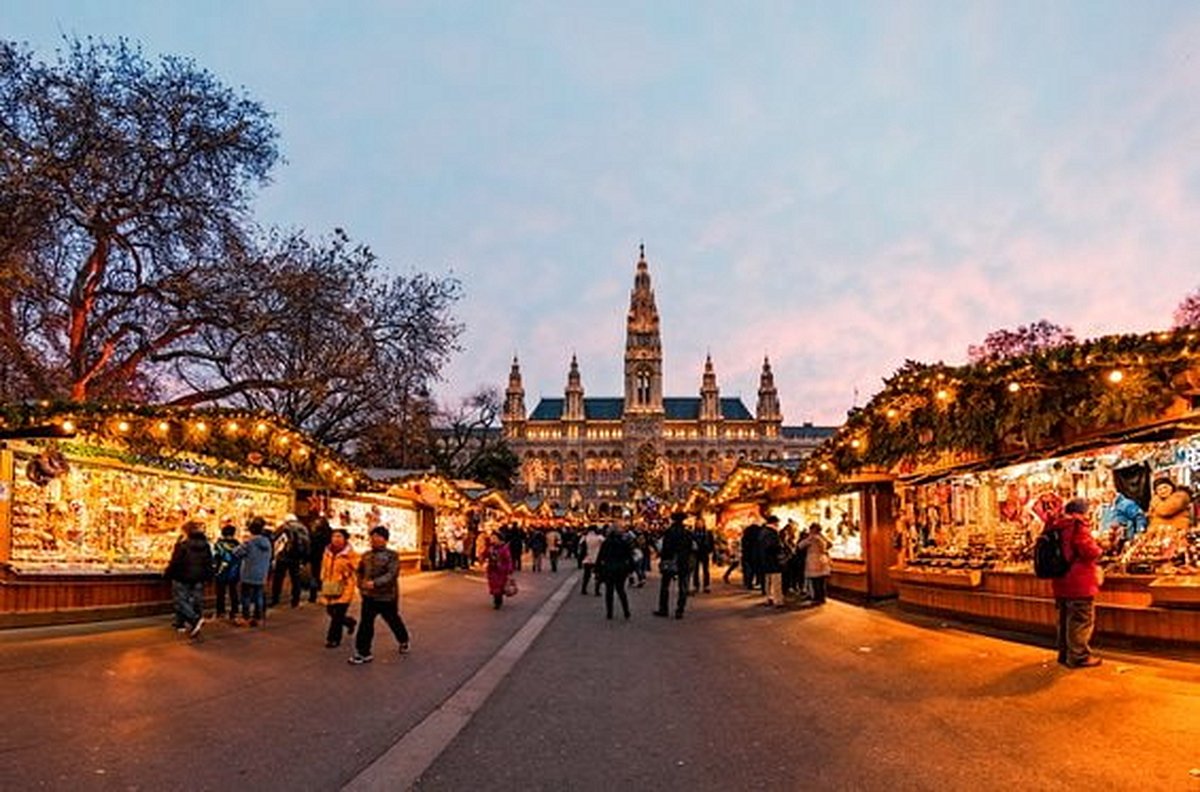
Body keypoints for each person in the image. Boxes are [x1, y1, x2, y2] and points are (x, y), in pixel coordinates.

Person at [1049, 498, 1103, 668]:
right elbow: (1089, 551)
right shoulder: (1078, 526)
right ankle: (1079, 657)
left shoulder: (1057, 525)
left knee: (1065, 619)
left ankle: (1064, 654)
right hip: (1079, 581)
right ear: (1082, 511)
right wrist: (1099, 548)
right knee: (1080, 620)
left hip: (1061, 580)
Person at [350, 526, 411, 665]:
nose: (375, 539)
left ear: (385, 539)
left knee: (393, 620)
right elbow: (359, 572)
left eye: (379, 536)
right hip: (369, 596)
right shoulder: (366, 555)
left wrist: (375, 583)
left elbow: (392, 574)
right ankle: (363, 652)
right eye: (373, 536)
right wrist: (360, 584)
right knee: (365, 624)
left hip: (386, 597)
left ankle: (403, 639)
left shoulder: (392, 555)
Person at [165, 520, 213, 637]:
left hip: (182, 576)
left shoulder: (182, 545)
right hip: (199, 576)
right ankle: (181, 622)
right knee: (196, 600)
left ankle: (194, 619)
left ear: (186, 532)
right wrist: (208, 576)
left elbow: (175, 562)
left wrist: (168, 573)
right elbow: (209, 562)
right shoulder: (205, 545)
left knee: (180, 600)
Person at [319, 528, 358, 648]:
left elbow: (357, 569)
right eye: (334, 536)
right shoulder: (327, 552)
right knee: (331, 611)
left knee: (337, 615)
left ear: (345, 539)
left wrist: (347, 574)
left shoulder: (350, 554)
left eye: (339, 536)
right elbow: (324, 567)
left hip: (345, 587)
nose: (336, 539)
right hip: (330, 586)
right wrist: (322, 579)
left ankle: (333, 639)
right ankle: (350, 622)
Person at [235, 517, 273, 627]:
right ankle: (259, 618)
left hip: (249, 573)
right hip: (262, 574)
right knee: (259, 596)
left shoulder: (249, 543)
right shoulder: (267, 543)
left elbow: (236, 552)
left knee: (246, 596)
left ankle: (246, 618)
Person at [654, 512, 693, 619]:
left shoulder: (669, 532)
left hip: (669, 561)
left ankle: (663, 609)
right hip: (683, 562)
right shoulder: (687, 533)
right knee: (682, 586)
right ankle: (680, 610)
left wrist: (663, 560)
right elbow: (690, 548)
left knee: (665, 586)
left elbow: (664, 548)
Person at [271, 514, 310, 608]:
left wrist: (274, 554)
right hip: (296, 557)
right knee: (295, 579)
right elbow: (307, 544)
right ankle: (295, 600)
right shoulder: (304, 528)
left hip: (283, 557)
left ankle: (275, 598)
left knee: (278, 578)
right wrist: (304, 559)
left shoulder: (284, 527)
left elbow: (274, 538)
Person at [597, 523, 634, 620]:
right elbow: (629, 556)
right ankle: (626, 611)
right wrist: (631, 569)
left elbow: (601, 556)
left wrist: (598, 569)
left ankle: (609, 613)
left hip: (609, 568)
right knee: (621, 590)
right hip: (621, 569)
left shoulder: (606, 543)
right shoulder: (623, 542)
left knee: (609, 591)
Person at [795, 523, 832, 605]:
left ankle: (817, 598)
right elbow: (830, 544)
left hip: (814, 560)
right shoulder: (823, 537)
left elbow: (800, 546)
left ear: (814, 529)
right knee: (821, 580)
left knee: (815, 580)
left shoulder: (812, 538)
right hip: (823, 559)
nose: (810, 530)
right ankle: (822, 597)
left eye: (811, 528)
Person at [212, 520, 242, 621]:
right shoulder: (238, 545)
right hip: (234, 572)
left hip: (221, 572)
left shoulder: (219, 544)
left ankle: (221, 612)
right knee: (233, 592)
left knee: (220, 593)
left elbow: (215, 557)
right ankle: (235, 611)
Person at [760, 515, 785, 607]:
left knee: (768, 581)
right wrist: (780, 548)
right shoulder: (772, 533)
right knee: (776, 581)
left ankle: (768, 598)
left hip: (765, 560)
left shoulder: (763, 532)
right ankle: (778, 600)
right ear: (774, 522)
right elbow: (773, 546)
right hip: (773, 560)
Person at [307, 511, 332, 603]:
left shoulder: (315, 534)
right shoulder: (330, 534)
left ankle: (312, 596)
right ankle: (326, 596)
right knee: (326, 577)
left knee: (314, 576)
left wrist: (308, 557)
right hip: (327, 558)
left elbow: (311, 546)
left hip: (315, 558)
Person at [485, 532, 514, 609]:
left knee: (499, 586)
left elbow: (508, 560)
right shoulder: (491, 548)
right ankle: (497, 599)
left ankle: (498, 601)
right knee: (494, 586)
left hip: (501, 570)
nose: (492, 540)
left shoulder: (504, 548)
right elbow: (485, 555)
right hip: (492, 569)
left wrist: (509, 570)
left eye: (494, 538)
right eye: (492, 538)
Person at [690, 519, 714, 594]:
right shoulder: (693, 533)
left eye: (701, 523)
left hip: (704, 553)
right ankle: (696, 585)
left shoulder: (708, 533)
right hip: (696, 553)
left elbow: (711, 542)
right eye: (698, 523)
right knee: (695, 570)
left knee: (706, 570)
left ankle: (706, 585)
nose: (699, 525)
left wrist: (710, 550)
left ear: (703, 524)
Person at [580, 526, 605, 596]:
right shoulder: (600, 538)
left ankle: (583, 589)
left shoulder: (584, 538)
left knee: (586, 575)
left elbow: (581, 547)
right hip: (597, 559)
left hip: (587, 558)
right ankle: (597, 590)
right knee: (598, 575)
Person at [741, 521, 763, 591]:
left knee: (750, 570)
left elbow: (744, 546)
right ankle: (758, 583)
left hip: (747, 555)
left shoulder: (745, 537)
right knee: (757, 570)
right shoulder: (757, 538)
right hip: (755, 555)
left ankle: (749, 583)